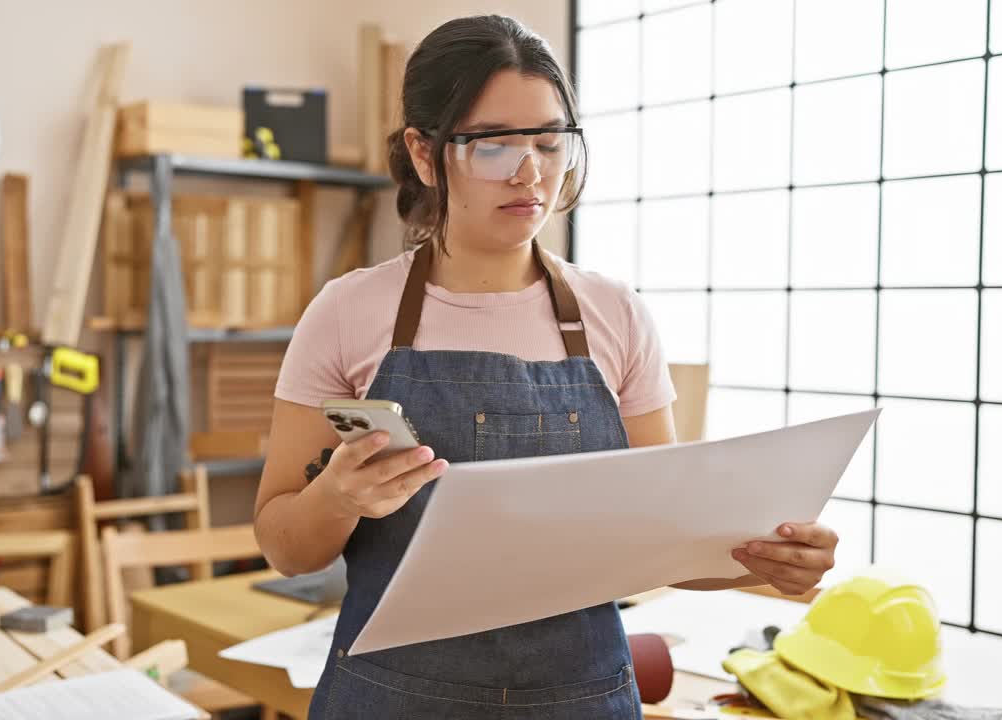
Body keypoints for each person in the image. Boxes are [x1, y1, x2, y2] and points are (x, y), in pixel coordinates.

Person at [254, 14, 838, 719]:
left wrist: (768, 562)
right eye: (495, 145)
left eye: (549, 140)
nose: (531, 173)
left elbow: (665, 544)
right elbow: (286, 547)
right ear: (423, 151)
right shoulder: (348, 310)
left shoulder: (616, 314)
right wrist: (339, 498)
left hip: (581, 700)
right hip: (392, 700)